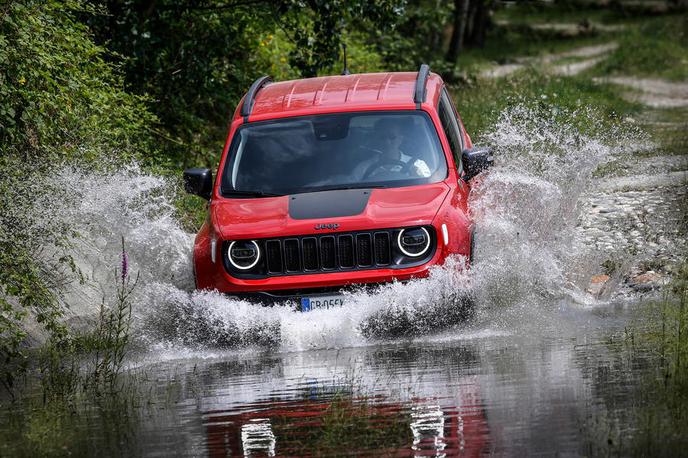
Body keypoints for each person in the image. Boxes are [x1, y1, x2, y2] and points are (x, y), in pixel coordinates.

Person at [355, 118, 432, 179]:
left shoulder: (418, 165)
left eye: (392, 137)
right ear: (376, 139)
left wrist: (417, 177)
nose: (387, 142)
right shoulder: (363, 168)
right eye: (382, 137)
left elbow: (430, 190)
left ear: (400, 139)